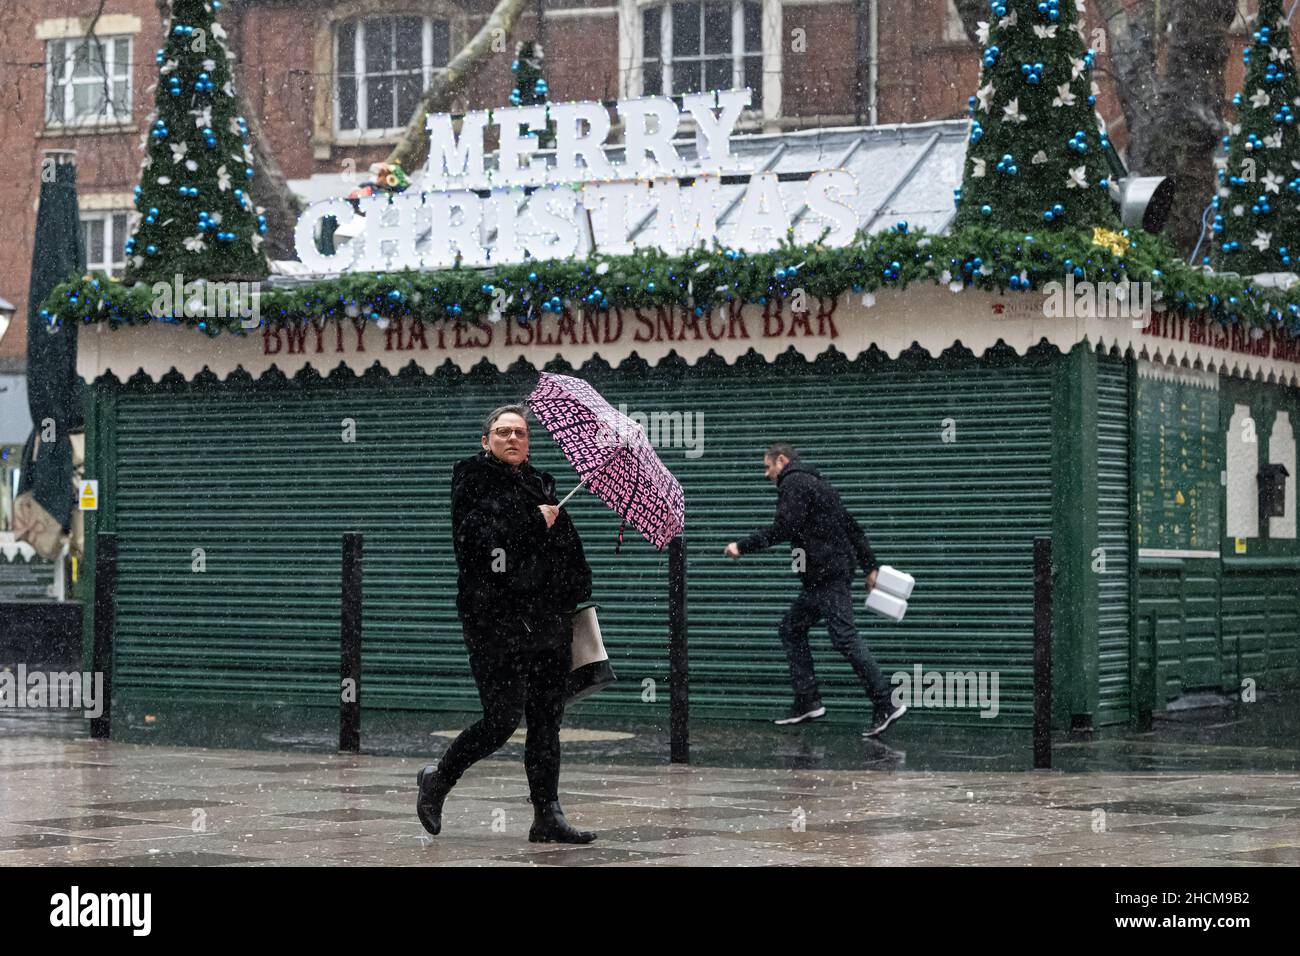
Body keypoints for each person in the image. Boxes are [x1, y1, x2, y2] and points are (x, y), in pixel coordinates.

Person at [416, 403, 597, 844]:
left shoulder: (543, 483)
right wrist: (533, 521)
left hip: (547, 621)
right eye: (502, 432)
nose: (513, 438)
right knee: (500, 719)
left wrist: (576, 588)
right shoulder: (471, 480)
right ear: (486, 441)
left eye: (520, 432)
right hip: (493, 621)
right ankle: (438, 779)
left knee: (546, 720)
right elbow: (477, 543)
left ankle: (547, 815)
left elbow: (565, 548)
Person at [724, 442, 907, 737]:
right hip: (824, 576)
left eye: (767, 467)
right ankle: (807, 700)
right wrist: (869, 566)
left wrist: (742, 546)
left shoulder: (794, 483)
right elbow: (852, 527)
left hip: (827, 575)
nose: (766, 474)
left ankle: (886, 701)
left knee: (844, 637)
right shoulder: (820, 484)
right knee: (791, 628)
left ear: (781, 461)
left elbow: (785, 527)